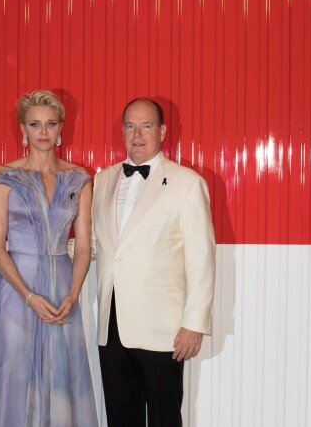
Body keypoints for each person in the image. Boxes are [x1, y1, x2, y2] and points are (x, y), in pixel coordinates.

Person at [0, 89, 99, 427]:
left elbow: (83, 247)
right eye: (35, 124)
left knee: (59, 380)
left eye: (51, 124)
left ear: (61, 129)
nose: (43, 132)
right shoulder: (3, 177)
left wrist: (72, 294)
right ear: (23, 129)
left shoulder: (80, 179)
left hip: (62, 289)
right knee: (13, 377)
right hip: (16, 290)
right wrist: (28, 296)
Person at [92, 97, 216, 427]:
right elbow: (98, 245)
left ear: (161, 131)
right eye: (130, 126)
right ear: (122, 131)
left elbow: (201, 259)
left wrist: (195, 323)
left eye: (146, 125)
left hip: (165, 330)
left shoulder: (187, 182)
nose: (137, 134)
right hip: (112, 325)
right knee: (120, 418)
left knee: (164, 418)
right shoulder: (102, 181)